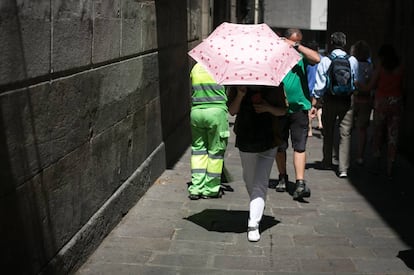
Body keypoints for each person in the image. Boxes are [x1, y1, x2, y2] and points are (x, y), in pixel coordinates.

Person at [227, 85, 287, 242]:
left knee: (260, 182)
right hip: (246, 139)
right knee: (249, 179)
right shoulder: (237, 83)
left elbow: (283, 110)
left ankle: (253, 224)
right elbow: (232, 111)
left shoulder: (274, 84)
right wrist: (240, 95)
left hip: (269, 139)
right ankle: (257, 203)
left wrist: (268, 107)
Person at [272, 28, 320, 200]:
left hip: (299, 108)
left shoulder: (301, 57)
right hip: (278, 107)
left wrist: (297, 46)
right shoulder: (275, 55)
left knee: (299, 145)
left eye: (297, 42)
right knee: (280, 145)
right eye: (291, 42)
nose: (291, 47)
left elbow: (317, 58)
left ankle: (300, 182)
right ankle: (282, 176)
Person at [311, 32, 358, 178]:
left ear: (331, 43)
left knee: (328, 130)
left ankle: (327, 161)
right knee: (345, 133)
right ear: (344, 43)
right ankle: (343, 168)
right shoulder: (353, 60)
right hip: (347, 100)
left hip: (330, 99)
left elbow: (320, 84)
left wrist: (316, 100)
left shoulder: (326, 60)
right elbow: (356, 81)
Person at [356, 44, 404, 180]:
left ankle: (376, 162)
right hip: (396, 103)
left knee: (378, 132)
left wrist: (357, 84)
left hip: (381, 103)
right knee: (392, 135)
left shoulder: (380, 69)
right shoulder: (400, 68)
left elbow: (368, 87)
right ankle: (390, 166)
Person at [188, 62, 230, 200]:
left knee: (198, 150)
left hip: (196, 112)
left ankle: (196, 187)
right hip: (216, 113)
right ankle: (210, 189)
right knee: (215, 152)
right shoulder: (222, 66)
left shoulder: (196, 67)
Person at [350, 40, 374, 165]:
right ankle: (360, 155)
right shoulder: (370, 66)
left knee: (347, 128)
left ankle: (346, 153)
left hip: (353, 97)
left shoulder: (351, 63)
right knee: (362, 129)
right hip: (365, 98)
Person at [305, 40, 323, 137]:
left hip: (309, 88)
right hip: (320, 88)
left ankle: (310, 129)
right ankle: (320, 123)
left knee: (309, 108)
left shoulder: (306, 60)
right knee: (319, 106)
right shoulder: (322, 59)